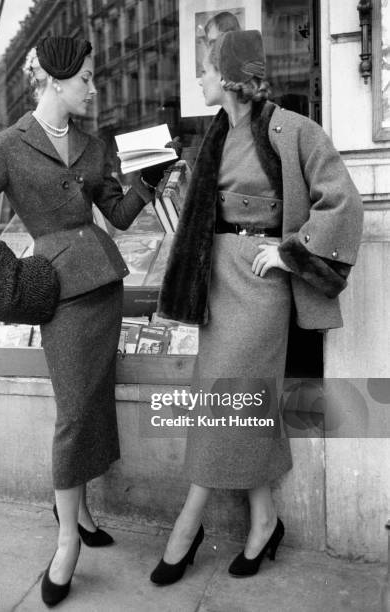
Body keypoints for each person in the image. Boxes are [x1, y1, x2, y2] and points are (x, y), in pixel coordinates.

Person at [0, 36, 178, 607]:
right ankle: (67, 538)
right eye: (86, 81)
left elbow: (119, 215)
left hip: (104, 285)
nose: (94, 90)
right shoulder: (6, 146)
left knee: (93, 402)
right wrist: (11, 284)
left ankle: (80, 511)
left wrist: (150, 179)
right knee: (74, 415)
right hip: (57, 296)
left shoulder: (92, 144)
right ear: (55, 80)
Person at [151, 30, 363, 585]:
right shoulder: (215, 135)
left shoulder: (291, 128)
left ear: (226, 76)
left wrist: (291, 253)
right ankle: (265, 519)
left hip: (260, 281)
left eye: (202, 69)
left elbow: (343, 200)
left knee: (227, 396)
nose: (196, 79)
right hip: (218, 281)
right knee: (239, 401)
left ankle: (187, 523)